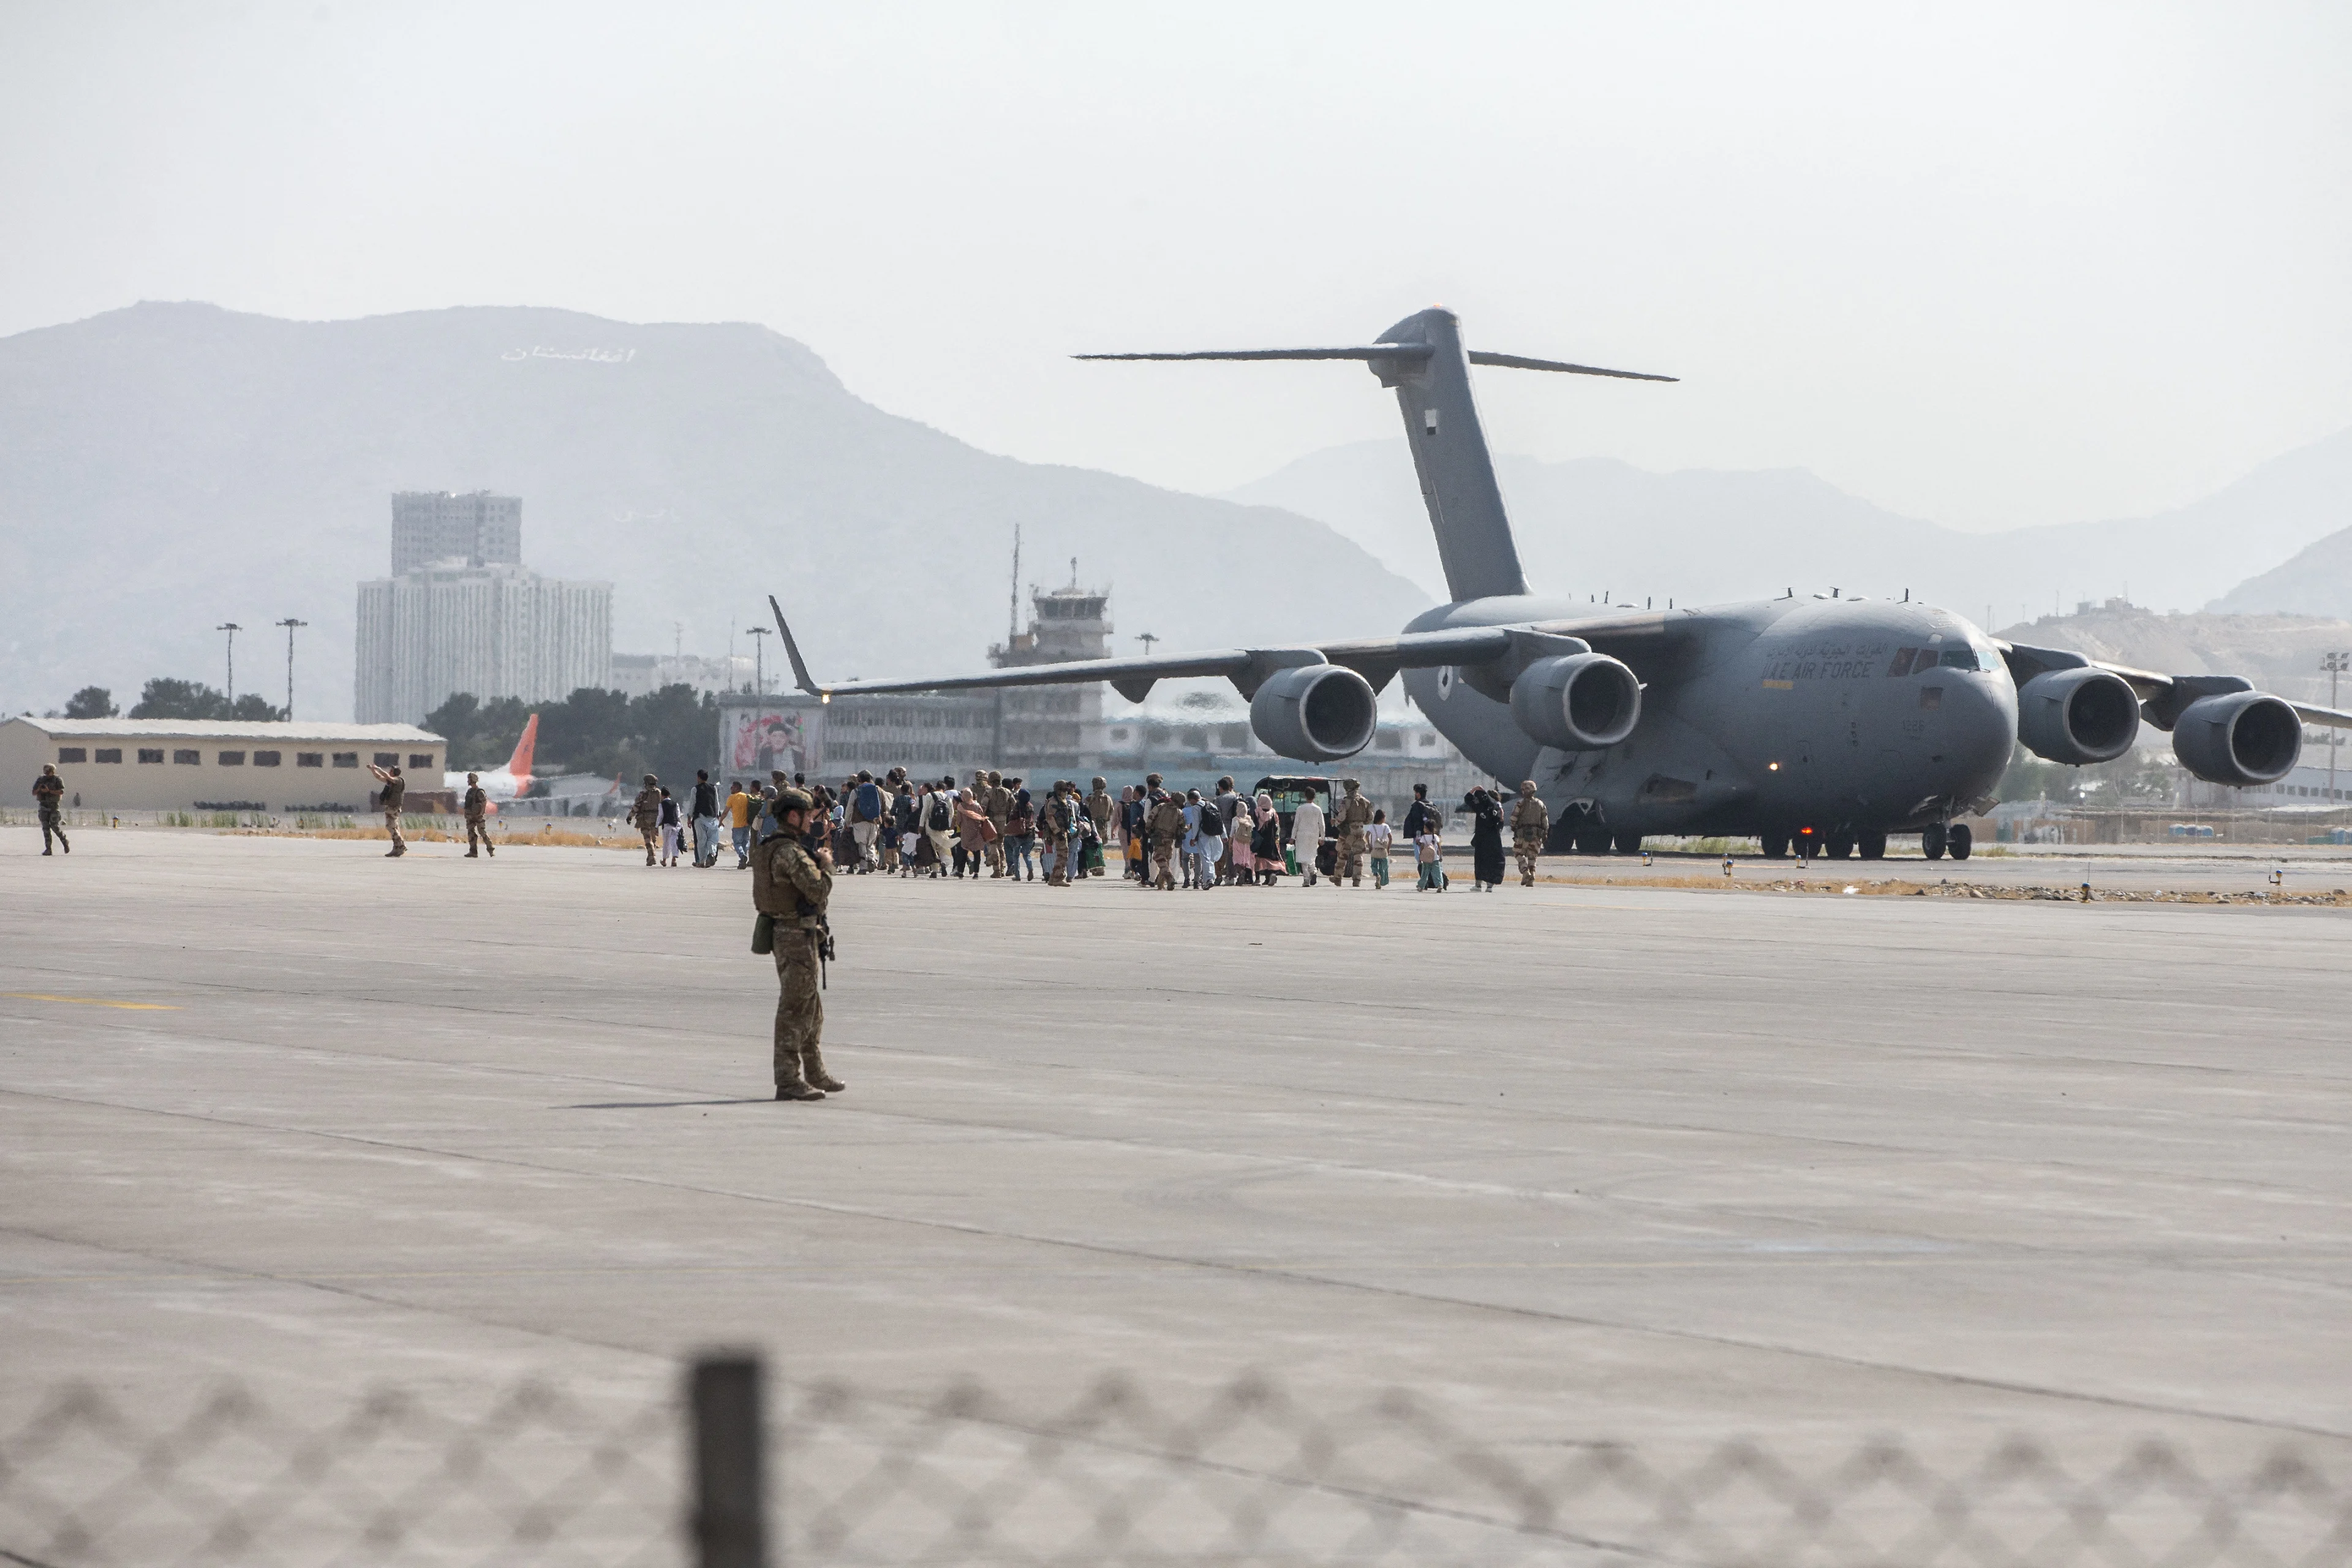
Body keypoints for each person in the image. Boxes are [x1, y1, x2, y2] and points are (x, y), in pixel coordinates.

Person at [750, 788, 843, 1101]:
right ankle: (788, 1079)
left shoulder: (771, 846)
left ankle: (815, 1072)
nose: (811, 821)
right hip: (795, 936)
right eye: (807, 816)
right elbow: (817, 890)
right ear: (793, 816)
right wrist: (826, 866)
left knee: (811, 1008)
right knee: (794, 1009)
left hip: (791, 934)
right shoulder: (790, 852)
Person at [1333, 778, 1374, 888]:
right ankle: (1357, 880)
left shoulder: (1346, 801)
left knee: (1343, 854)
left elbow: (1342, 817)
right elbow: (1370, 817)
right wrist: (1361, 822)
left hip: (1348, 832)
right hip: (1360, 831)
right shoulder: (1365, 802)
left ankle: (1338, 877)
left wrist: (1337, 823)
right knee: (1358, 856)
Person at [1509, 780, 1550, 887]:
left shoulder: (1520, 803)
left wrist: (1514, 828)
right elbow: (1545, 820)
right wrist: (1545, 833)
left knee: (1518, 853)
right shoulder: (1540, 804)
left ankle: (1525, 871)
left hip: (1522, 835)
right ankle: (1532, 876)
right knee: (1532, 856)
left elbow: (1514, 818)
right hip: (1536, 835)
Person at [1466, 787, 1506, 891]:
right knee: (1493, 860)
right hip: (1494, 839)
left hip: (1481, 838)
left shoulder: (1481, 807)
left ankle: (1478, 885)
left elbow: (1467, 798)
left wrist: (1475, 789)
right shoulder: (1498, 809)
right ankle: (1490, 885)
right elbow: (1501, 823)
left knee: (1480, 860)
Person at [365, 760, 408, 858]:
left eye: (391, 771)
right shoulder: (391, 781)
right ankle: (397, 847)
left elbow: (387, 776)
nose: (389, 772)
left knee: (390, 826)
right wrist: (372, 770)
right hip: (391, 807)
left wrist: (378, 768)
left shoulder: (398, 781)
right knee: (394, 827)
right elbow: (379, 777)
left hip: (394, 807)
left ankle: (401, 845)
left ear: (395, 773)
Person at [1147, 789, 1186, 889]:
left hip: (1158, 837)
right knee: (1166, 860)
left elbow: (1150, 818)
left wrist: (1149, 830)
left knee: (1159, 858)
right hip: (1170, 839)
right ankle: (1161, 884)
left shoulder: (1160, 807)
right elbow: (1182, 827)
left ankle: (1169, 878)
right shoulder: (1179, 812)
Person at [846, 771, 884, 872]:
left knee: (861, 844)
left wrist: (847, 821)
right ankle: (871, 860)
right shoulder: (877, 790)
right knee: (870, 844)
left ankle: (863, 867)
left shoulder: (856, 791)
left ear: (859, 780)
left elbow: (850, 807)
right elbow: (882, 805)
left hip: (860, 821)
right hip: (874, 821)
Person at [1289, 785, 1326, 888]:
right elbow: (1322, 825)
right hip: (1314, 835)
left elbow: (1296, 824)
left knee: (1303, 858)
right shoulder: (1318, 809)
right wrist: (1322, 838)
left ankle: (1306, 879)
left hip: (1302, 835)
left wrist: (1292, 837)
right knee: (1312, 855)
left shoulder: (1300, 809)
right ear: (1315, 797)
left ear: (1305, 796)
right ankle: (1313, 872)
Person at [1187, 788, 1223, 891]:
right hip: (1215, 834)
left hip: (1204, 835)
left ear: (1192, 799)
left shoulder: (1196, 808)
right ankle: (1209, 878)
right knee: (1212, 858)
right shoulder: (1212, 805)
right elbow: (1219, 821)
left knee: (1205, 858)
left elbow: (1196, 824)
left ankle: (1208, 880)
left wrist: (1193, 838)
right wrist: (1224, 835)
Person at [32, 763, 69, 856]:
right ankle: (48, 849)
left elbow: (61, 791)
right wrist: (39, 789)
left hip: (53, 807)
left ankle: (64, 841)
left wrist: (49, 791)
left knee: (55, 826)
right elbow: (34, 792)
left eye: (49, 771)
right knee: (46, 828)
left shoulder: (57, 779)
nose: (48, 773)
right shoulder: (41, 780)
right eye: (47, 771)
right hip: (43, 806)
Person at [982, 770, 1012, 878]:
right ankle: (1003, 868)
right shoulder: (1008, 792)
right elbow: (1013, 806)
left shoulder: (988, 793)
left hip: (992, 821)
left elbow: (983, 808)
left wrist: (982, 820)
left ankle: (997, 870)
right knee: (1000, 844)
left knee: (993, 844)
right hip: (1003, 820)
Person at [1005, 782, 1036, 881]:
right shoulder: (1030, 806)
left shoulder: (1017, 806)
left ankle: (1017, 875)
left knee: (1016, 854)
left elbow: (1012, 817)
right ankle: (1030, 868)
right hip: (1030, 832)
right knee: (1027, 854)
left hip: (1018, 833)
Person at [1084, 777, 1115, 876]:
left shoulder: (1090, 798)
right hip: (1103, 825)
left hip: (1092, 825)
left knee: (1094, 847)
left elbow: (1084, 809)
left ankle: (1098, 868)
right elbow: (1111, 811)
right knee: (1100, 846)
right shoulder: (1108, 798)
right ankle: (1096, 867)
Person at [1251, 792, 1284, 885]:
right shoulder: (1273, 812)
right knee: (1269, 858)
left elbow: (1254, 825)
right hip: (1270, 839)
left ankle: (1257, 879)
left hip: (1259, 839)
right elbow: (1277, 825)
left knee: (1257, 858)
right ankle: (1270, 876)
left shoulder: (1257, 811)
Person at [692, 770, 723, 869]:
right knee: (712, 839)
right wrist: (717, 815)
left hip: (699, 818)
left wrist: (689, 816)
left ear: (699, 778)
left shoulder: (695, 789)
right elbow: (716, 803)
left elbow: (693, 803)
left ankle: (702, 862)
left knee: (701, 840)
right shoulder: (714, 788)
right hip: (712, 817)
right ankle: (712, 854)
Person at [631, 774, 662, 866]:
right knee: (654, 839)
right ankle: (650, 857)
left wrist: (630, 816)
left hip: (644, 819)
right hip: (656, 819)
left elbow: (636, 806)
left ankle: (652, 857)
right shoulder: (659, 793)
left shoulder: (643, 794)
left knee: (648, 839)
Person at [462, 771, 494, 858]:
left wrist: (481, 813)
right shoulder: (469, 791)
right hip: (470, 816)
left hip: (478, 816)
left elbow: (484, 803)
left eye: (469, 779)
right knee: (471, 834)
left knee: (482, 832)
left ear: (473, 780)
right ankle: (473, 852)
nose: (468, 781)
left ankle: (491, 849)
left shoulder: (480, 792)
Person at [726, 779, 755, 869]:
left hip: (737, 825)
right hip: (747, 825)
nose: (731, 788)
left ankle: (742, 855)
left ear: (737, 788)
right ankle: (743, 862)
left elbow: (726, 811)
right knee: (745, 843)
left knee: (737, 843)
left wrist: (720, 821)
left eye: (732, 787)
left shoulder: (732, 797)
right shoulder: (747, 797)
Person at [1415, 815, 1447, 891]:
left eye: (1424, 828)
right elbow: (1439, 848)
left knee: (1425, 873)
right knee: (1437, 872)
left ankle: (1421, 886)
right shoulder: (1435, 837)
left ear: (1426, 828)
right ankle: (1440, 884)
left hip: (1426, 859)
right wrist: (1441, 856)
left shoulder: (1424, 837)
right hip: (1435, 858)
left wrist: (1420, 857)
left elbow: (1422, 848)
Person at [1366, 809, 1392, 889]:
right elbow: (1390, 838)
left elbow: (1367, 836)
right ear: (1383, 818)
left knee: (1374, 865)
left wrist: (1369, 846)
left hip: (1374, 850)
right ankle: (1382, 882)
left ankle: (1377, 875)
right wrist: (1388, 848)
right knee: (1383, 867)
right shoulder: (1386, 827)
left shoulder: (1372, 826)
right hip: (1383, 851)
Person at [658, 787, 684, 867]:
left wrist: (656, 826)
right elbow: (678, 816)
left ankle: (664, 860)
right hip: (675, 825)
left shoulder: (661, 804)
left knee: (666, 843)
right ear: (669, 795)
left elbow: (661, 816)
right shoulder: (675, 804)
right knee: (674, 842)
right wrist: (682, 826)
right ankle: (674, 860)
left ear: (662, 796)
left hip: (666, 826)